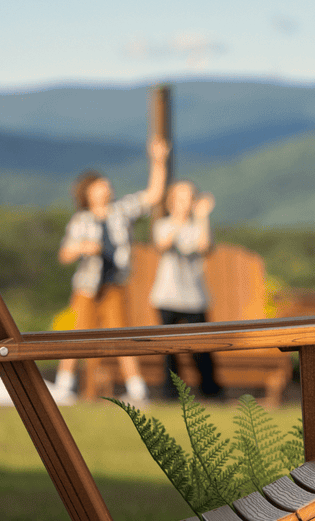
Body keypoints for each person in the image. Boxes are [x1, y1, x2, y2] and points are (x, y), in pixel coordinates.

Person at [53, 136, 170, 403]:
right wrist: (83, 247)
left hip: (115, 283)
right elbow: (65, 254)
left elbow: (153, 195)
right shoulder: (80, 220)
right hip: (87, 285)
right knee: (76, 334)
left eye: (106, 184)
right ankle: (64, 386)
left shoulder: (121, 211)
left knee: (121, 335)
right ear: (88, 192)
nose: (106, 187)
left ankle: (137, 389)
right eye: (100, 185)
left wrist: (158, 161)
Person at [148, 179, 221, 399]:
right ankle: (170, 393)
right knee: (169, 350)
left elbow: (205, 247)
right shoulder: (163, 224)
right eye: (180, 198)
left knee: (202, 348)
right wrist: (179, 220)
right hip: (166, 296)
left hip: (195, 298)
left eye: (189, 198)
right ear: (171, 201)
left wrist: (202, 217)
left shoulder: (199, 225)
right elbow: (162, 245)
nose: (185, 203)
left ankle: (210, 391)